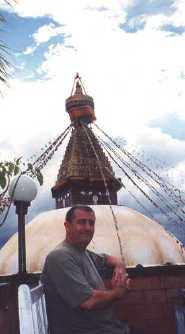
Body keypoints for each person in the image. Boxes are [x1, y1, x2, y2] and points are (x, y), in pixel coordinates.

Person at [41, 205, 131, 334]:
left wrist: (120, 267)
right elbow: (89, 301)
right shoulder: (60, 256)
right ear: (67, 226)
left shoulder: (82, 252)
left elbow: (108, 259)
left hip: (109, 327)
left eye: (91, 223)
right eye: (81, 222)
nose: (88, 228)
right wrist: (117, 292)